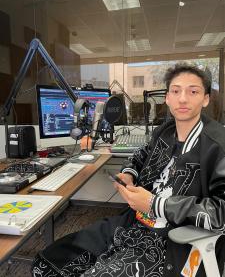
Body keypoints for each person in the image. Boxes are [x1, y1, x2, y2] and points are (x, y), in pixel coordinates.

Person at [32, 64, 225, 277]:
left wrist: (155, 204)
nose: (182, 98)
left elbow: (221, 212)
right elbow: (140, 157)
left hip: (172, 241)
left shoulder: (218, 145)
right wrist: (129, 174)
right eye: (176, 90)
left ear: (206, 99)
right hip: (133, 223)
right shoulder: (165, 131)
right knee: (46, 264)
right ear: (167, 97)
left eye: (193, 91)